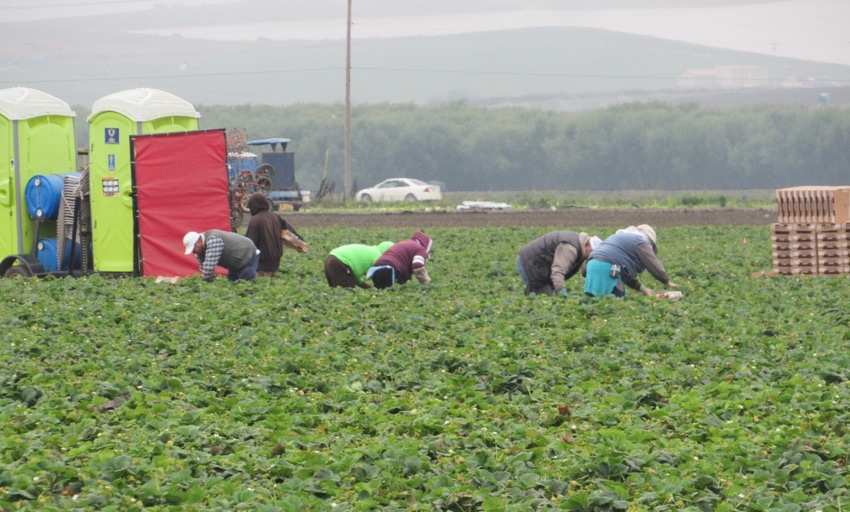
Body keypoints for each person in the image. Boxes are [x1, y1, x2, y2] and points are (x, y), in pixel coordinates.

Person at [584, 224, 678, 297]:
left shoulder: (619, 238)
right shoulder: (640, 242)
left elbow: (625, 273)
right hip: (608, 268)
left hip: (591, 265)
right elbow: (652, 263)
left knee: (594, 301)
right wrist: (666, 281)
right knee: (615, 301)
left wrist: (644, 290)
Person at [517, 230, 601, 296]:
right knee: (542, 297)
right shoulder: (570, 248)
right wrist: (562, 293)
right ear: (587, 244)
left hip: (541, 266)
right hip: (530, 263)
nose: (591, 256)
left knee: (547, 296)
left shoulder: (580, 247)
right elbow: (557, 271)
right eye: (592, 252)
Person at [244, 192, 305, 277]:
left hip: (261, 263)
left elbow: (249, 242)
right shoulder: (275, 216)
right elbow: (290, 231)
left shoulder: (255, 220)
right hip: (275, 261)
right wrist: (300, 242)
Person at [183, 229, 259, 282]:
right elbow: (204, 270)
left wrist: (205, 284)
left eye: (193, 249)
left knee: (246, 279)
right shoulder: (199, 252)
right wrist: (209, 284)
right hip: (235, 261)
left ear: (199, 242)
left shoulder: (213, 239)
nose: (193, 252)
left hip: (247, 252)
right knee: (233, 281)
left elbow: (208, 268)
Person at [367, 231, 432, 289]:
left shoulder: (404, 243)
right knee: (395, 295)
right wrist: (426, 283)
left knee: (382, 294)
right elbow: (418, 265)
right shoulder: (420, 249)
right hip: (391, 270)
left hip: (376, 270)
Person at [325, 241, 394, 288]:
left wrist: (367, 287)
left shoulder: (371, 251)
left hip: (331, 259)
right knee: (346, 294)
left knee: (335, 292)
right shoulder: (378, 257)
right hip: (340, 262)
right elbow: (378, 279)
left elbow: (354, 275)